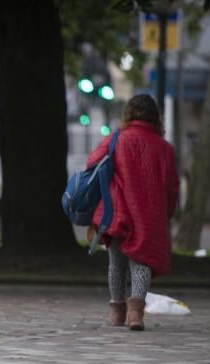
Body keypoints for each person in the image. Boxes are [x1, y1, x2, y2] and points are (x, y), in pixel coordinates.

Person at [85, 94, 179, 332]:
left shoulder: (117, 139)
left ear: (128, 113)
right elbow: (172, 186)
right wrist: (167, 212)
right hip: (150, 214)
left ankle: (117, 313)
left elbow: (92, 163)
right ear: (156, 118)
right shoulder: (165, 148)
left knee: (116, 262)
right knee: (142, 263)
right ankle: (136, 314)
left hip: (119, 210)